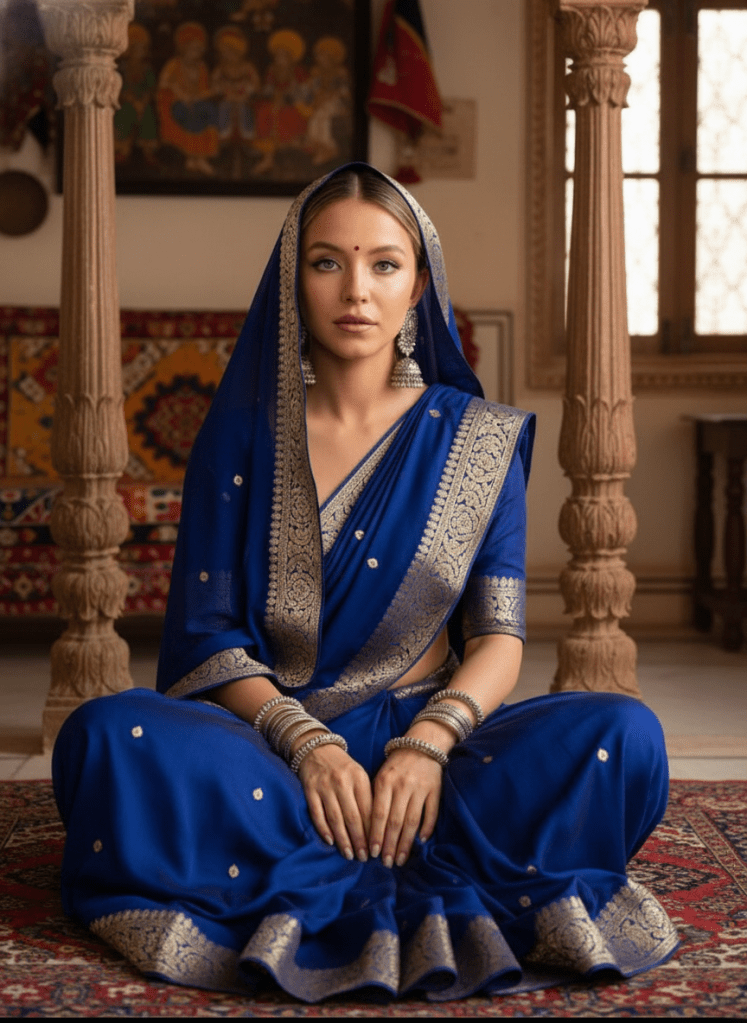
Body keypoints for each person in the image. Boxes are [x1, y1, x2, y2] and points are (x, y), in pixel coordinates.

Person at [52, 163, 679, 1003]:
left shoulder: (476, 439)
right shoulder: (239, 439)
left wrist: (425, 745)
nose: (357, 289)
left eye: (384, 263)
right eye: (327, 262)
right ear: (293, 278)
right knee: (105, 734)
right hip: (273, 748)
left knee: (623, 731)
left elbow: (497, 637)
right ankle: (358, 840)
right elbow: (210, 639)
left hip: (436, 753)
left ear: (418, 283)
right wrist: (306, 744)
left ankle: (316, 852)